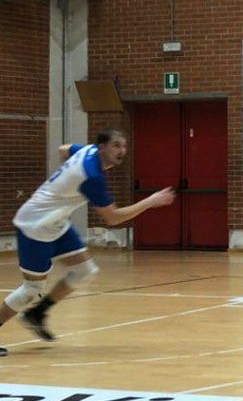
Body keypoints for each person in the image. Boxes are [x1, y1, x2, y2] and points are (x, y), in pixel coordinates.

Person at [0, 131, 175, 353]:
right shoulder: (91, 176)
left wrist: (62, 184)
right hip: (34, 225)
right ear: (102, 146)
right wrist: (149, 201)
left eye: (123, 146)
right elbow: (112, 218)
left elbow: (63, 149)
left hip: (56, 223)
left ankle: (36, 313)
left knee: (84, 270)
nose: (121, 151)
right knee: (32, 289)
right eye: (116, 145)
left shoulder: (88, 151)